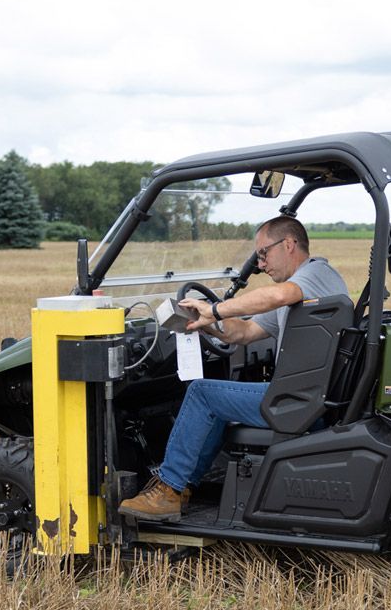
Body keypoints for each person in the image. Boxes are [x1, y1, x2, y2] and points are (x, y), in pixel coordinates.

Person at [118, 215, 348, 521]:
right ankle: (184, 486)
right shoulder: (301, 289)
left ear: (289, 244)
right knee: (216, 400)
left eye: (263, 254)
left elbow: (276, 296)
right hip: (307, 396)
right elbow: (245, 332)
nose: (262, 265)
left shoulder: (314, 275)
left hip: (297, 401)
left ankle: (169, 489)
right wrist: (207, 325)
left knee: (201, 393)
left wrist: (214, 309)